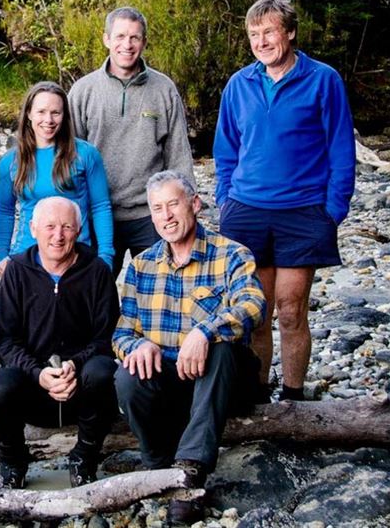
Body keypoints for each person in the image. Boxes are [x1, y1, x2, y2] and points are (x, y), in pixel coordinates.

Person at [213, 0, 356, 403]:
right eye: (254, 34)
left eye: (269, 32)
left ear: (289, 33)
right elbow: (226, 151)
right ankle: (257, 395)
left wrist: (334, 209)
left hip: (303, 212)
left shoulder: (323, 79)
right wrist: (225, 199)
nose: (261, 41)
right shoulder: (239, 85)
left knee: (292, 311)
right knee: (256, 315)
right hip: (246, 212)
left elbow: (341, 149)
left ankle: (294, 398)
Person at [113, 171, 264, 524]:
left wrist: (204, 332)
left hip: (224, 381)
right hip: (171, 380)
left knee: (223, 349)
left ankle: (189, 474)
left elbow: (254, 305)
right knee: (127, 374)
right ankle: (158, 464)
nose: (166, 216)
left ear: (194, 204)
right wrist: (137, 346)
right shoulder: (141, 265)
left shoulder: (231, 255)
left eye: (173, 205)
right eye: (156, 208)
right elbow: (121, 333)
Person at [0, 197, 119, 489]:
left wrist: (76, 364)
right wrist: (39, 374)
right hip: (34, 385)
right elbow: (8, 341)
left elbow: (106, 337)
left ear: (79, 230)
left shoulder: (97, 271)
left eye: (66, 227)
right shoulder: (17, 271)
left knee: (102, 370)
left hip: (82, 387)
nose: (57, 235)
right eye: (49, 226)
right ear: (33, 229)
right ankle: (12, 461)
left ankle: (85, 455)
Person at [68, 6, 195, 276]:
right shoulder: (83, 91)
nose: (127, 44)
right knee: (94, 296)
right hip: (98, 215)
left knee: (161, 293)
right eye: (120, 36)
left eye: (135, 38)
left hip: (151, 215)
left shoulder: (164, 89)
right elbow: (68, 159)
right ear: (106, 39)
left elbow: (178, 155)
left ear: (144, 42)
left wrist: (187, 207)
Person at [0, 82, 114, 276]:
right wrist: (2, 256)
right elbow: (4, 211)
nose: (48, 120)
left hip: (75, 258)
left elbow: (101, 206)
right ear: (29, 114)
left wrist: (106, 256)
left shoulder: (86, 154)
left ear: (65, 115)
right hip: (26, 260)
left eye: (55, 112)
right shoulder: (10, 161)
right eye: (41, 112)